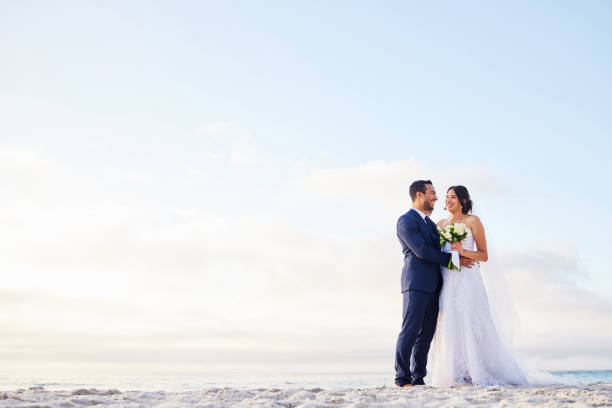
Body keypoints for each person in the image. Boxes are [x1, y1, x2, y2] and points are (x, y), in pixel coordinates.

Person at [428, 185, 528, 386]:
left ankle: (477, 369)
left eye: (453, 197)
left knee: (472, 320)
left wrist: (462, 251)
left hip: (468, 279)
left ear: (463, 201)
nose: (448, 201)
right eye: (447, 197)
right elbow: (436, 254)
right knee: (449, 321)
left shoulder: (473, 221)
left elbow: (484, 255)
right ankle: (456, 373)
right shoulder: (439, 224)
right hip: (448, 278)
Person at [394, 180, 475, 387]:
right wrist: (453, 261)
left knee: (426, 334)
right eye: (433, 193)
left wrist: (460, 253)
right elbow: (421, 251)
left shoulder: (432, 224)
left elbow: (441, 249)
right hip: (416, 283)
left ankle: (418, 377)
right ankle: (401, 378)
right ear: (420, 194)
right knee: (410, 330)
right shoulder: (406, 221)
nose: (436, 197)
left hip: (435, 285)